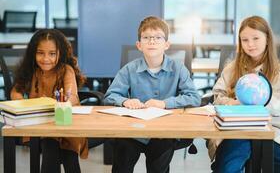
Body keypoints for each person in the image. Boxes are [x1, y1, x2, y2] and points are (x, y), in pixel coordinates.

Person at [104, 16, 201, 173]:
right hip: (134, 131)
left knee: (158, 164)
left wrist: (165, 103)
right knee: (122, 160)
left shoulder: (178, 68)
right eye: (146, 38)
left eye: (157, 37)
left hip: (164, 131)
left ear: (166, 44)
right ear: (139, 45)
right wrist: (125, 102)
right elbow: (110, 96)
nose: (152, 41)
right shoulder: (129, 69)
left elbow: (194, 98)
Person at [208, 16, 280, 173]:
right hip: (236, 127)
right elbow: (217, 97)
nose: (250, 44)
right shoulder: (232, 68)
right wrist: (232, 103)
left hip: (272, 128)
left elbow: (274, 106)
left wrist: (241, 105)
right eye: (245, 40)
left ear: (267, 39)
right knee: (227, 168)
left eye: (256, 38)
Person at [11, 29, 87, 173]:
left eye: (52, 53)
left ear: (61, 53)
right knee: (50, 142)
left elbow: (73, 96)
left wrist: (63, 103)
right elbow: (15, 92)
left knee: (63, 148)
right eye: (40, 53)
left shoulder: (66, 70)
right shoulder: (31, 70)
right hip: (39, 125)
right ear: (33, 53)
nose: (46, 59)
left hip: (65, 124)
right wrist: (23, 104)